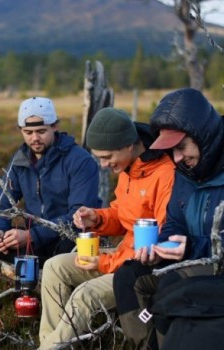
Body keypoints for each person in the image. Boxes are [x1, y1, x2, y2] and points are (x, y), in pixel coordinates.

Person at [38, 107, 175, 349]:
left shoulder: (165, 175)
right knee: (54, 267)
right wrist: (97, 219)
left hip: (141, 271)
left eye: (107, 156)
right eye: (99, 157)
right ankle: (50, 343)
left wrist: (104, 262)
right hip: (122, 256)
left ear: (129, 145)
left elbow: (156, 247)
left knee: (85, 294)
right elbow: (123, 216)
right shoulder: (129, 170)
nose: (103, 165)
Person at [0, 97, 102, 315]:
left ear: (55, 126)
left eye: (41, 131)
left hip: (68, 244)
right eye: (28, 132)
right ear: (21, 131)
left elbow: (79, 217)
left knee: (68, 242)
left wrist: (32, 235)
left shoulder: (80, 161)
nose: (35, 138)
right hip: (31, 246)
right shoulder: (19, 162)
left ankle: (66, 316)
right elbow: (0, 203)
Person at [113, 87, 224, 350]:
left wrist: (195, 247)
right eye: (171, 151)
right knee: (129, 277)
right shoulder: (184, 173)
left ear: (203, 136)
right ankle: (148, 345)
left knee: (172, 290)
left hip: (215, 268)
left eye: (181, 147)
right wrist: (160, 248)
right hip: (188, 263)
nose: (177, 158)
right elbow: (174, 222)